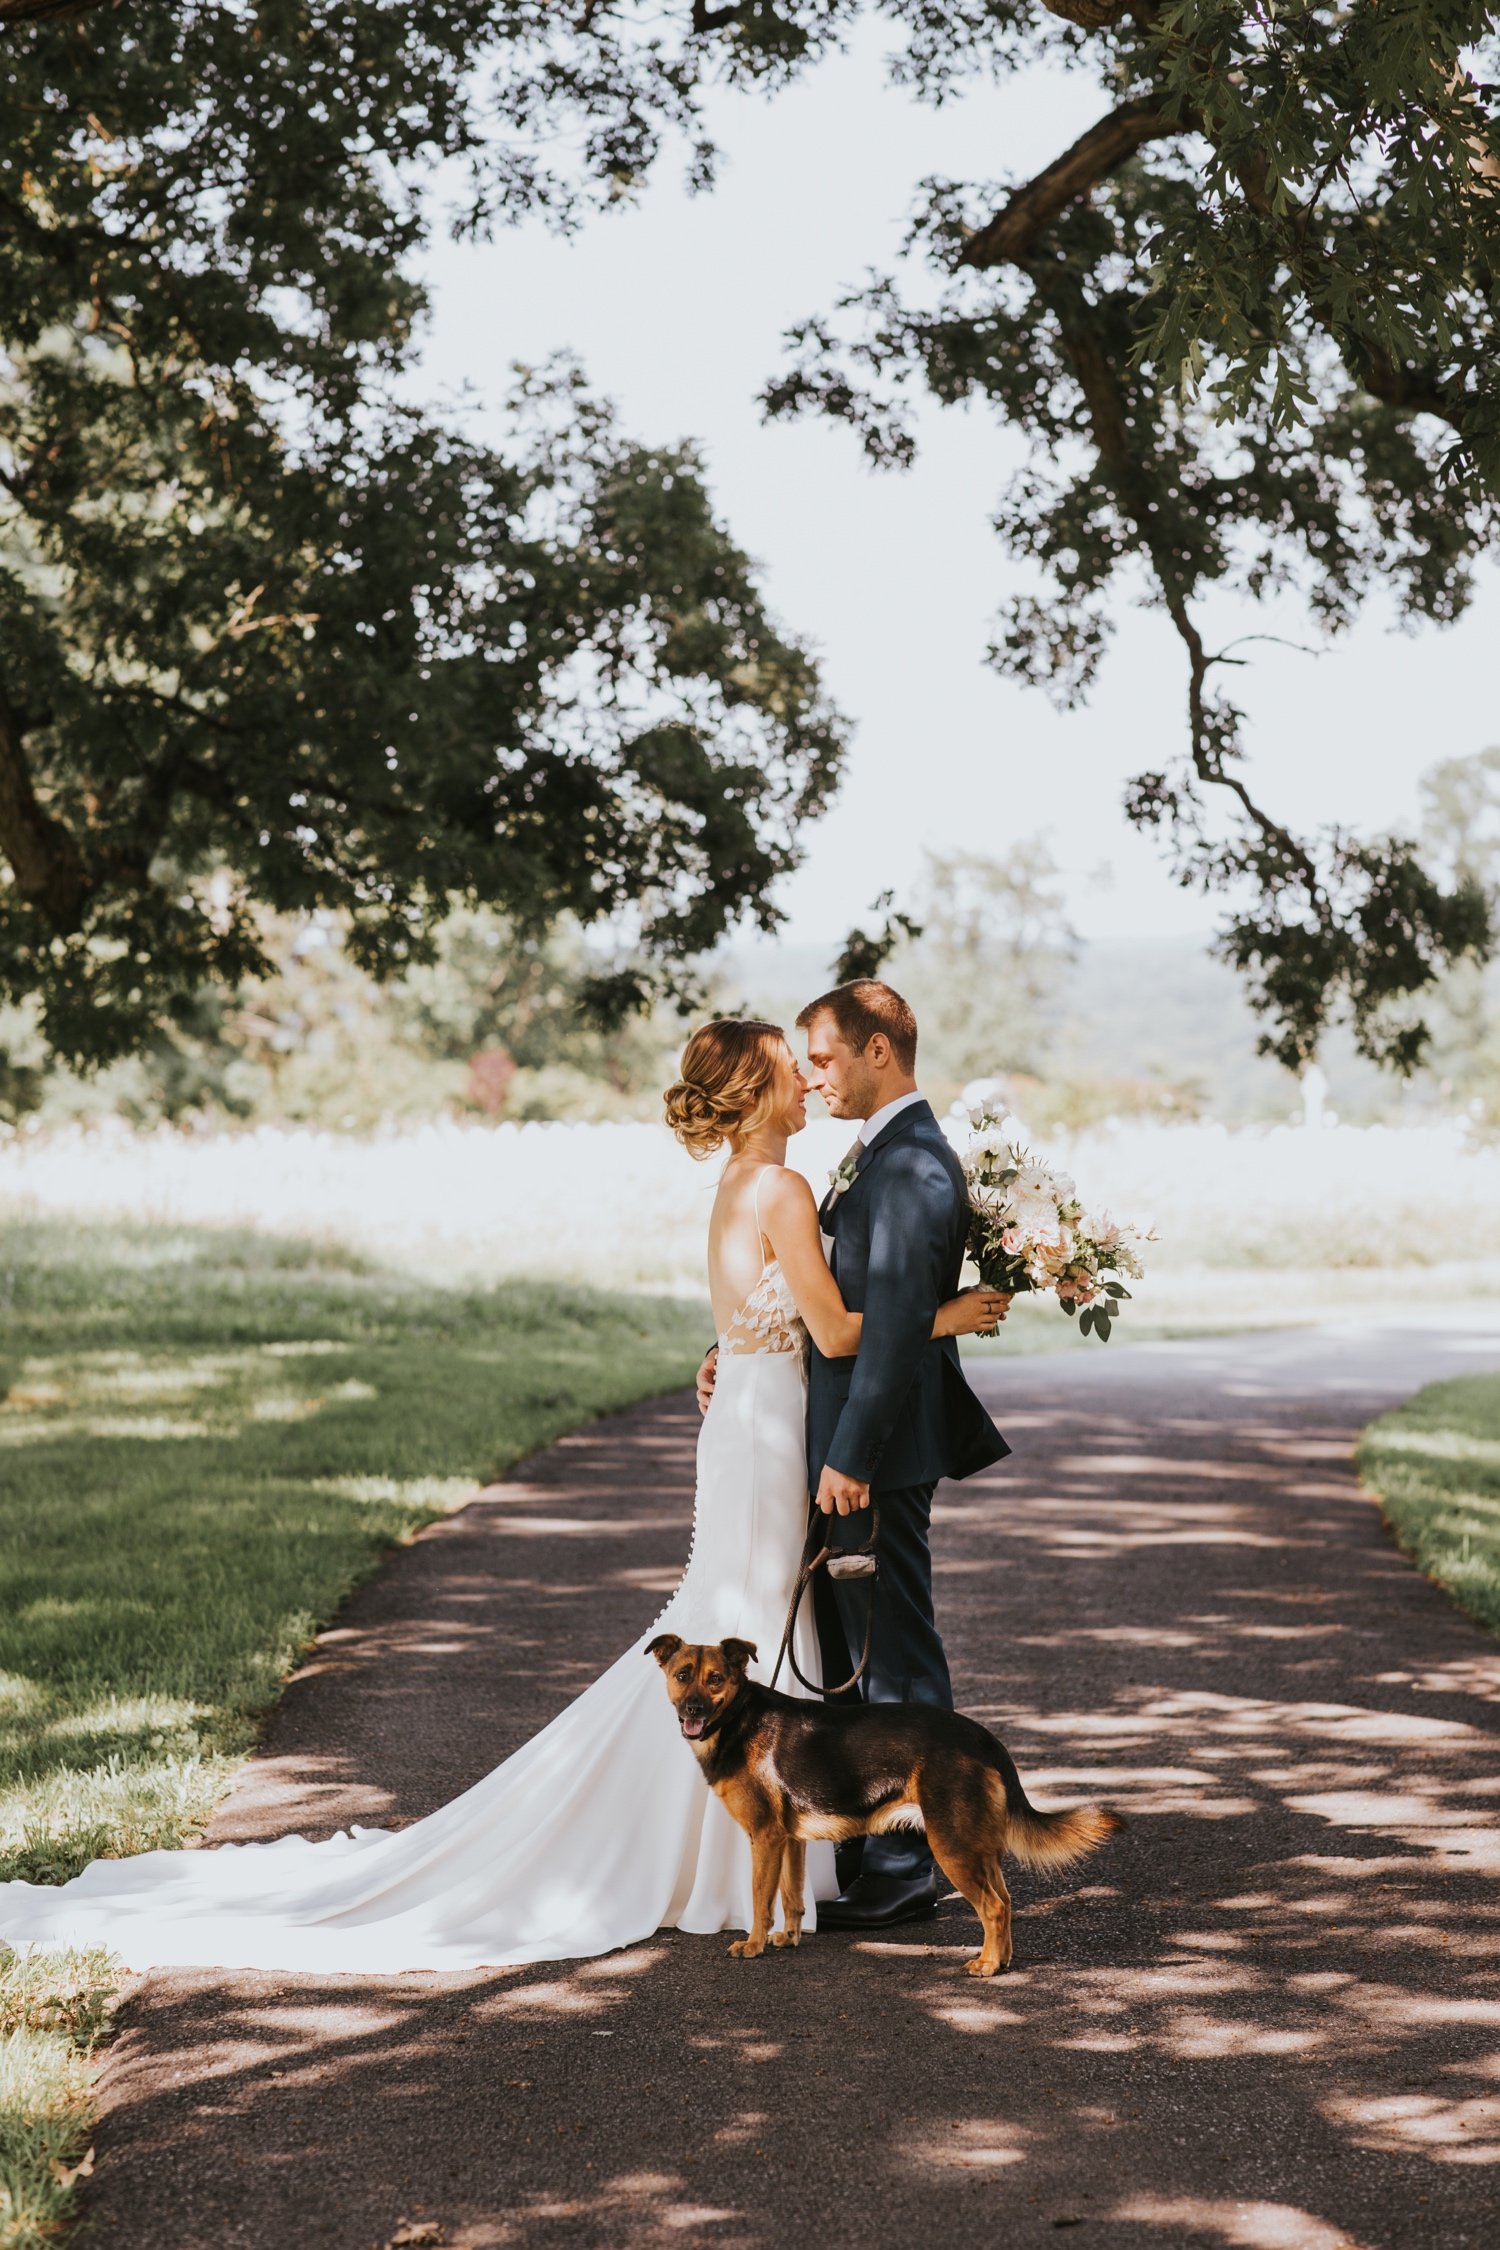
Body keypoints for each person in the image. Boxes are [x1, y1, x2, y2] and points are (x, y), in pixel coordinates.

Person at [0, 1017, 1004, 1974]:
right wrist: (954, 1309)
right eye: (791, 1062)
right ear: (754, 1090)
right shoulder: (778, 1187)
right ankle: (703, 1856)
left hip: (751, 1420)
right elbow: (830, 1334)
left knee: (743, 1623)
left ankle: (759, 1852)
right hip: (761, 1432)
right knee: (739, 1625)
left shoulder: (752, 1183)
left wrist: (727, 1358)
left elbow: (757, 1324)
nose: (806, 1075)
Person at [696, 981, 1011, 1931]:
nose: (813, 1080)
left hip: (859, 1452)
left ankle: (912, 1862)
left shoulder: (910, 1167)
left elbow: (847, 1336)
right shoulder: (846, 1166)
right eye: (799, 1068)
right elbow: (815, 1317)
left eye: (823, 1059)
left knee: (892, 1657)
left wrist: (851, 1452)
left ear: (882, 1050)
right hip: (802, 1436)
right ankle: (869, 1847)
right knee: (847, 1649)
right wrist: (732, 1352)